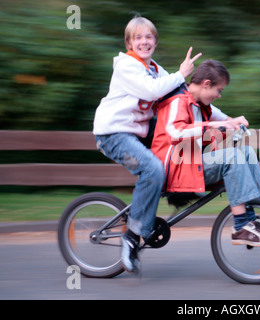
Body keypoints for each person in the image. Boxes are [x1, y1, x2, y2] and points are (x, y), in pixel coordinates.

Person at [93, 16, 202, 273]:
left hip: (138, 134)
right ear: (130, 42)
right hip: (114, 135)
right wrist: (180, 73)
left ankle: (176, 191)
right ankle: (131, 238)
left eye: (149, 37)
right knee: (152, 169)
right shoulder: (126, 66)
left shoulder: (154, 68)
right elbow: (152, 91)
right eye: (138, 37)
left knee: (181, 142)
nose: (144, 41)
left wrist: (225, 119)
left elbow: (184, 96)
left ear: (155, 41)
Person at [151, 60, 260, 247]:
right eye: (219, 90)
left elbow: (221, 117)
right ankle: (241, 227)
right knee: (233, 157)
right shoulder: (178, 101)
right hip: (174, 169)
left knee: (246, 152)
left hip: (189, 165)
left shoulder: (200, 103)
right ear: (206, 84)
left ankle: (251, 217)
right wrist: (210, 125)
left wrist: (235, 121)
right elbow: (174, 131)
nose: (219, 95)